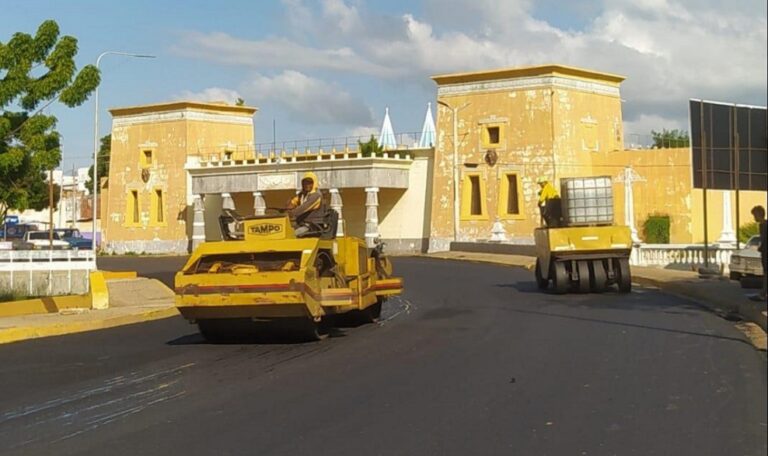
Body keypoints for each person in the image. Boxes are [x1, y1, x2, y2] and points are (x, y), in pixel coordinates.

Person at [286, 172, 325, 237]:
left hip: (312, 226)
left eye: (309, 183)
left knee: (291, 235)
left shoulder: (316, 196)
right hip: (303, 224)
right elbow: (293, 202)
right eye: (305, 183)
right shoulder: (303, 194)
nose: (307, 185)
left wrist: (291, 213)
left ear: (314, 183)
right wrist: (288, 206)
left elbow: (303, 208)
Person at [750, 205, 767, 302]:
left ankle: (763, 293)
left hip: (765, 252)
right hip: (764, 251)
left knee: (766, 273)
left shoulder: (764, 225)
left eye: (755, 215)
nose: (754, 218)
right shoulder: (762, 225)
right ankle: (763, 292)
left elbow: (764, 239)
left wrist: (761, 248)